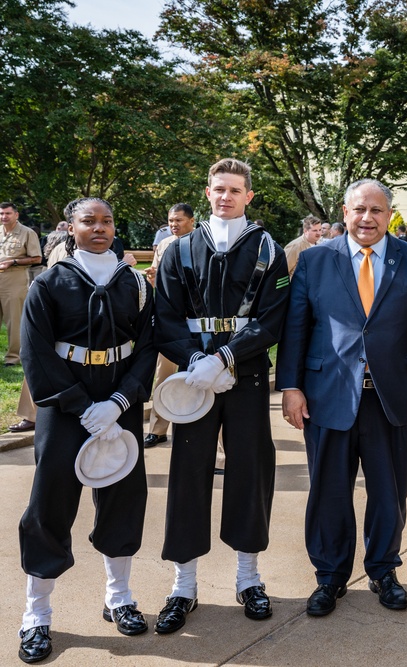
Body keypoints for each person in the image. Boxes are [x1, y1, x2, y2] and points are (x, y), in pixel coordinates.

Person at [275, 178, 407, 618]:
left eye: (376, 210)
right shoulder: (314, 261)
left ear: (390, 215)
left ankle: (384, 570)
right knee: (329, 491)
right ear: (345, 212)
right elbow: (296, 328)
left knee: (390, 491)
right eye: (358, 210)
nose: (367, 218)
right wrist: (290, 387)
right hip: (327, 395)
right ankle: (329, 576)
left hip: (394, 398)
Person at [17, 196, 156, 663]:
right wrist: (81, 406)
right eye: (88, 221)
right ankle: (36, 615)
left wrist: (120, 401)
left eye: (107, 221)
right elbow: (36, 355)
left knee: (123, 496)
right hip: (66, 404)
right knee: (50, 504)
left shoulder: (134, 283)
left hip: (120, 401)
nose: (100, 228)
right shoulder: (50, 283)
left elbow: (147, 345)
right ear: (70, 227)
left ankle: (119, 597)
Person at [153, 158, 289, 634]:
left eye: (235, 189)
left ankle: (248, 579)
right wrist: (196, 362)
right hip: (192, 378)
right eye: (218, 189)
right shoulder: (178, 249)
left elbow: (274, 318)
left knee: (250, 471)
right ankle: (183, 585)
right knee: (188, 474)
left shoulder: (269, 248)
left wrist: (227, 358)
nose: (226, 196)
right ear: (207, 193)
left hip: (246, 374)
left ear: (249, 195)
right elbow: (165, 317)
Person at [143, 204, 197, 448]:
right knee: (163, 376)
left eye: (179, 220)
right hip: (170, 321)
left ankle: (198, 433)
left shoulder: (202, 243)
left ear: (192, 221)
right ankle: (158, 428)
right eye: (170, 221)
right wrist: (153, 279)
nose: (174, 225)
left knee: (197, 378)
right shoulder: (164, 245)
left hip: (195, 322)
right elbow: (161, 285)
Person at [0, 202, 43, 366]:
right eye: (1, 213)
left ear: (16, 215)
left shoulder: (27, 233)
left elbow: (37, 258)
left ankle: (13, 357)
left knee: (14, 320)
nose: (4, 217)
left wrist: (14, 262)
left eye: (7, 213)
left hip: (15, 279)